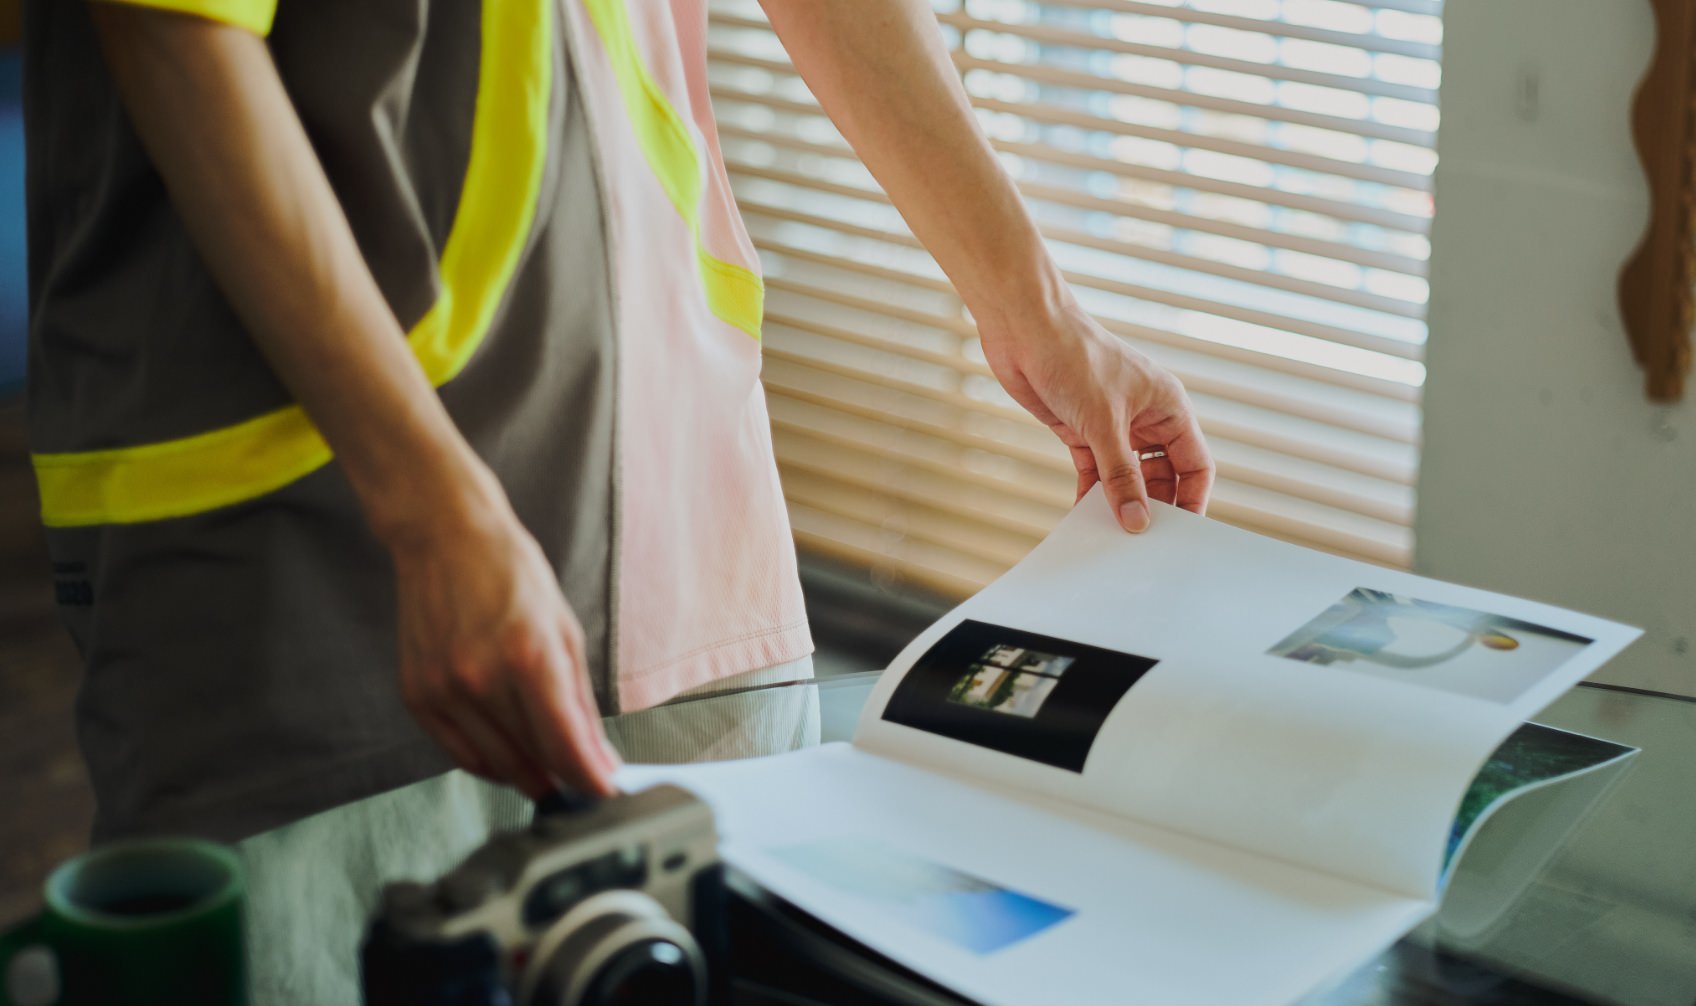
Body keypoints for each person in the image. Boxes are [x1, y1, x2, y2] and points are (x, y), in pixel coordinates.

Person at [22, 0, 1213, 999]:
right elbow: (173, 27)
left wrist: (1036, 308)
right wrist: (432, 512)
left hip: (677, 480)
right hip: (311, 514)